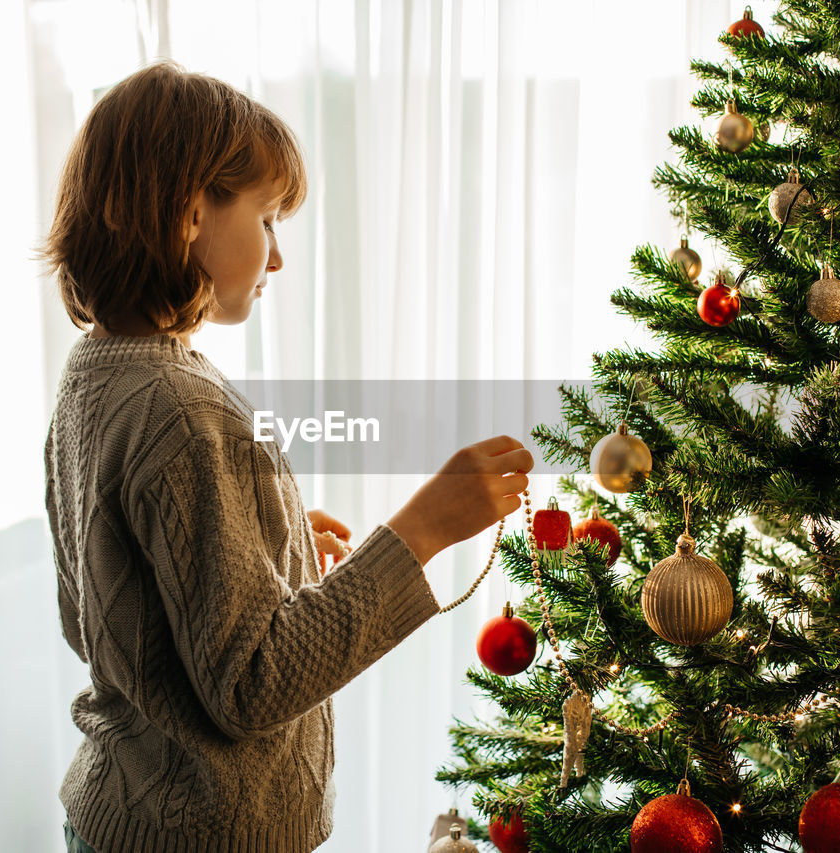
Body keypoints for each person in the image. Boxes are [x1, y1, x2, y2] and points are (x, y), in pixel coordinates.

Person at [40, 60, 533, 853]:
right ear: (190, 211)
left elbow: (107, 599)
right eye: (267, 219)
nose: (276, 257)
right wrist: (423, 530)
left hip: (117, 812)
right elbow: (250, 683)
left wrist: (267, 539)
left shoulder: (100, 373)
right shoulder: (181, 403)